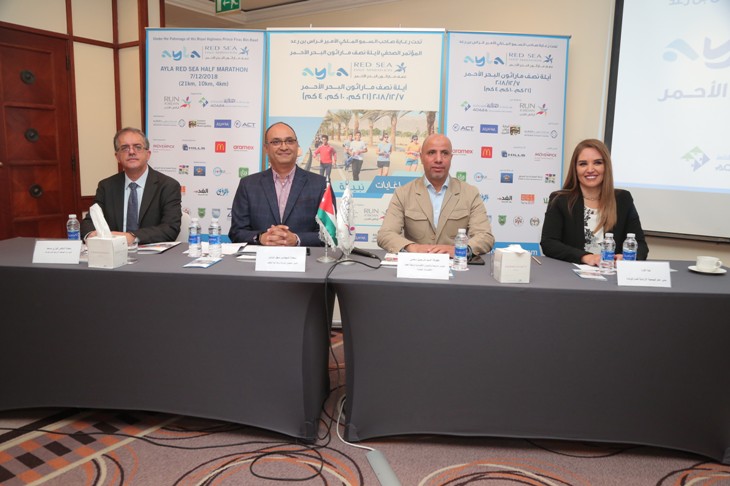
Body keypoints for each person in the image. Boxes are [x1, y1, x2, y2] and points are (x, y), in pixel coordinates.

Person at [377, 133, 494, 257]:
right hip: (416, 265)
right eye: (431, 152)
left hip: (455, 265)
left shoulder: (470, 193)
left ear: (451, 158)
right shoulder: (403, 193)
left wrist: (458, 250)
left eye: (444, 153)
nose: (438, 159)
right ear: (421, 157)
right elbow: (386, 234)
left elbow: (485, 236)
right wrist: (413, 248)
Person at [540, 138, 648, 265]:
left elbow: (641, 246)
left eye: (597, 163)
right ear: (575, 169)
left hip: (612, 272)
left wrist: (626, 257)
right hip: (571, 273)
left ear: (606, 167)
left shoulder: (623, 199)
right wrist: (586, 257)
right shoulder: (560, 200)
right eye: (583, 164)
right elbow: (549, 243)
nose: (590, 169)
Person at [228, 122, 331, 246]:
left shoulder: (320, 185)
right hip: (260, 257)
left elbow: (329, 234)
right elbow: (236, 232)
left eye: (289, 141)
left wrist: (297, 239)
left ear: (297, 145)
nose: (284, 147)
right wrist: (260, 238)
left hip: (304, 257)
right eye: (276, 142)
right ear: (266, 148)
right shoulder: (248, 185)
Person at [80, 127, 181, 245]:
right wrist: (91, 234)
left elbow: (170, 228)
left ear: (148, 154)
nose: (132, 152)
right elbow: (89, 222)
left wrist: (132, 237)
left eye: (138, 147)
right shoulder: (106, 187)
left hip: (152, 253)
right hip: (114, 252)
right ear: (117, 157)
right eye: (125, 148)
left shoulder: (167, 186)